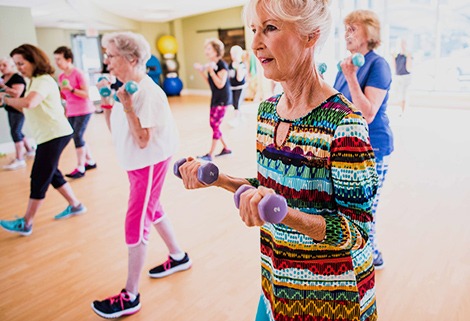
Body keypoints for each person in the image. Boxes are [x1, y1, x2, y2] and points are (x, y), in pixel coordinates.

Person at [177, 0, 379, 320]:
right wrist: (219, 179)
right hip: (277, 283)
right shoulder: (268, 111)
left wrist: (283, 214)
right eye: (255, 30)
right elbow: (271, 189)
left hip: (331, 300)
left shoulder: (344, 124)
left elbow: (357, 233)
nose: (256, 43)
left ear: (310, 36)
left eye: (270, 28)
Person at [91, 31, 191, 319]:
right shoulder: (126, 86)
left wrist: (126, 106)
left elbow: (143, 139)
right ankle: (178, 256)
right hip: (135, 163)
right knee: (153, 207)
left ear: (131, 58)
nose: (106, 62)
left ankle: (130, 295)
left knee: (136, 219)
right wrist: (109, 103)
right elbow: (116, 130)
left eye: (110, 56)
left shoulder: (147, 93)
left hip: (148, 161)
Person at [0, 44, 87, 235]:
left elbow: (29, 102)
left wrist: (5, 99)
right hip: (48, 135)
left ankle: (26, 222)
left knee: (39, 177)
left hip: (54, 134)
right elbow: (27, 107)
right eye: (16, 64)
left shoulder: (42, 80)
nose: (19, 67)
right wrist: (7, 95)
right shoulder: (32, 81)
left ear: (34, 60)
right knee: (52, 172)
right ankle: (76, 205)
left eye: (21, 63)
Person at [333, 9, 393, 270]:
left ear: (370, 34)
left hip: (373, 148)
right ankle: (360, 255)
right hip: (347, 147)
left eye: (353, 28)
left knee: (365, 209)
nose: (347, 33)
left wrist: (350, 77)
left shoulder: (378, 64)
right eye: (346, 28)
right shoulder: (347, 64)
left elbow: (367, 113)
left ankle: (370, 258)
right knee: (346, 207)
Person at [53, 46, 97, 179]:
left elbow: (86, 94)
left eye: (59, 59)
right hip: (71, 111)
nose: (57, 62)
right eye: (55, 60)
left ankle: (80, 167)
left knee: (78, 136)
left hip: (84, 110)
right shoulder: (61, 76)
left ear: (68, 59)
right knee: (78, 137)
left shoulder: (78, 73)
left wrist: (71, 89)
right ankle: (90, 161)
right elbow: (65, 97)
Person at [193, 38, 232, 161]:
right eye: (206, 48)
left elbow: (220, 84)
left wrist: (211, 71)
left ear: (216, 51)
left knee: (215, 124)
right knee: (214, 124)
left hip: (222, 99)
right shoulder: (211, 65)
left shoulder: (222, 65)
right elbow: (211, 84)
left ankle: (210, 154)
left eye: (209, 48)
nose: (206, 51)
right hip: (215, 97)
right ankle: (226, 148)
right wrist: (202, 72)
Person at [0, 57, 35, 170]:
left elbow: (16, 94)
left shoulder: (17, 78)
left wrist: (3, 87)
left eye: (4, 65)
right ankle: (30, 151)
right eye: (0, 66)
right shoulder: (3, 78)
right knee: (17, 131)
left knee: (15, 131)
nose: (1, 68)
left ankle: (19, 159)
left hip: (18, 109)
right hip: (10, 108)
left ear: (11, 65)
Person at [228, 45, 248, 127]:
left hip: (240, 87)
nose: (234, 56)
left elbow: (239, 78)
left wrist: (238, 68)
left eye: (236, 53)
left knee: (237, 103)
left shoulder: (241, 65)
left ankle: (236, 119)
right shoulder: (230, 65)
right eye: (232, 53)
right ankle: (241, 116)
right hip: (232, 87)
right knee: (233, 103)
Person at [391, 37, 412, 115]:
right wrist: (393, 57)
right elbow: (394, 67)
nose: (402, 45)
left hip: (406, 76)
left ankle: (403, 111)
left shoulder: (408, 55)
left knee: (404, 95)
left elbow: (409, 67)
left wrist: (408, 57)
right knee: (398, 95)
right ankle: (400, 110)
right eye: (401, 43)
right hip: (398, 77)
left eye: (403, 43)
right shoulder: (396, 55)